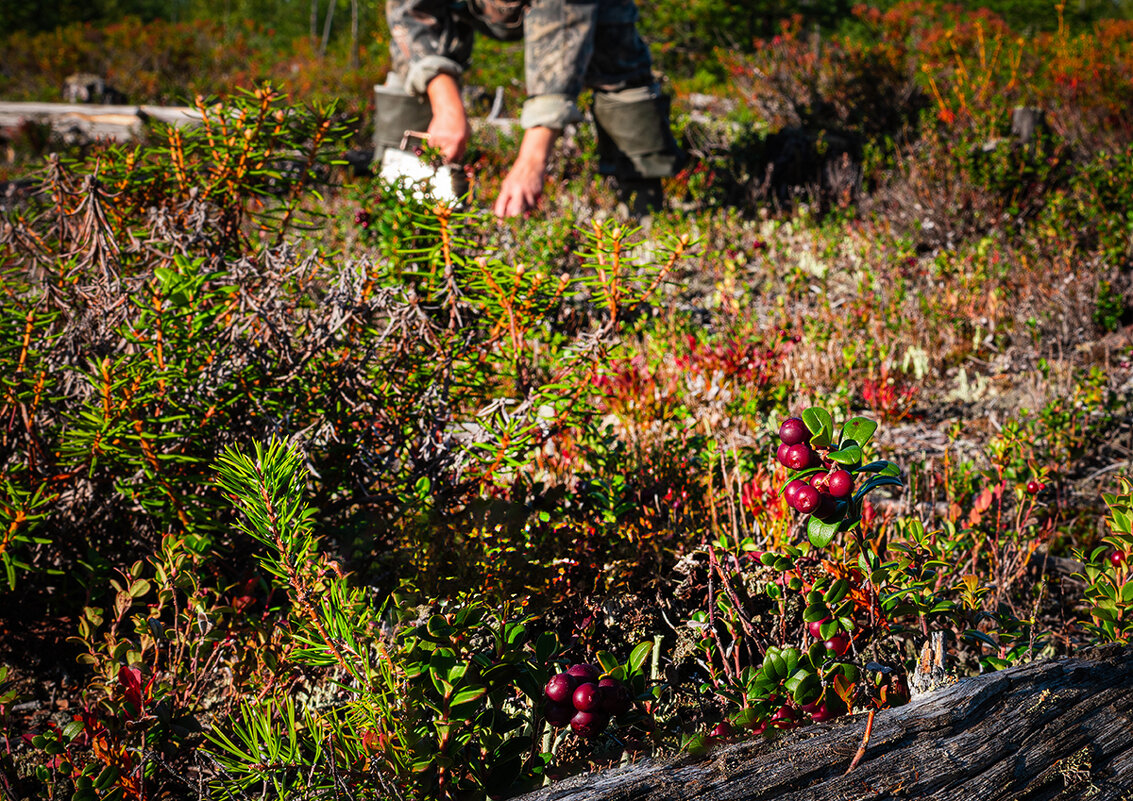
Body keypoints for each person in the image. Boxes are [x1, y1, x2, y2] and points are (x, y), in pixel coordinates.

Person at [374, 0, 686, 218]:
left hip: (584, 8)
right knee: (412, 69)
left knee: (620, 63)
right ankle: (406, 211)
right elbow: (410, 14)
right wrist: (445, 102)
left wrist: (532, 160)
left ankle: (640, 208)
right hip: (461, 5)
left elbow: (562, 34)